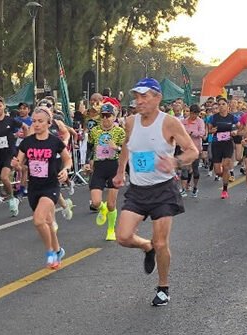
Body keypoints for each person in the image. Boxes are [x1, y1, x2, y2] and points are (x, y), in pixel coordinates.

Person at [113, 78, 198, 306]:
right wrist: (121, 170)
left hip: (163, 190)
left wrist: (175, 161)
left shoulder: (169, 123)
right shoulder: (130, 122)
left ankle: (163, 287)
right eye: (137, 97)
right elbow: (127, 146)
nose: (138, 101)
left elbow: (192, 151)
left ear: (157, 98)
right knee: (122, 237)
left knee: (162, 242)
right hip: (138, 189)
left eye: (144, 96)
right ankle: (145, 246)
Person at [12, 106, 72, 269]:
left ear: (48, 123)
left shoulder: (54, 142)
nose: (36, 125)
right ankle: (58, 250)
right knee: (47, 221)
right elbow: (19, 163)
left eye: (40, 121)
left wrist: (65, 170)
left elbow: (67, 160)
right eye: (34, 122)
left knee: (38, 220)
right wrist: (15, 165)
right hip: (34, 188)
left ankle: (50, 253)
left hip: (50, 186)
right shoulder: (27, 142)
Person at [85, 103, 125, 241]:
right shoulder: (95, 131)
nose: (106, 118)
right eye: (103, 116)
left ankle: (110, 230)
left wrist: (117, 148)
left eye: (109, 116)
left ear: (114, 117)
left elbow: (126, 151)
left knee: (111, 204)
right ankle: (102, 209)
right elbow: (90, 147)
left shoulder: (119, 131)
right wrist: (87, 162)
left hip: (114, 167)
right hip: (99, 167)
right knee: (95, 202)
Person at [0, 96, 28, 216]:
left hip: (10, 152)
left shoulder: (10, 120)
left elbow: (25, 126)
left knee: (4, 177)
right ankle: (17, 191)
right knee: (8, 175)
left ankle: (12, 199)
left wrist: (27, 142)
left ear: (4, 107)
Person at [207, 97, 241, 199]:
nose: (221, 106)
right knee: (217, 170)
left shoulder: (232, 117)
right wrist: (212, 131)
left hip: (227, 144)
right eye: (219, 104)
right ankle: (224, 176)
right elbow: (209, 131)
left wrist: (236, 132)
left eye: (223, 104)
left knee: (226, 166)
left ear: (227, 106)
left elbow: (240, 127)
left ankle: (225, 190)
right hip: (216, 144)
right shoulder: (213, 118)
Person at [180, 104, 206, 198]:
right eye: (192, 113)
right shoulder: (183, 121)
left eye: (196, 114)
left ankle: (195, 187)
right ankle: (183, 189)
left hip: (196, 148)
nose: (193, 116)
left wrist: (191, 133)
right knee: (184, 168)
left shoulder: (200, 122)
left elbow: (202, 133)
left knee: (195, 169)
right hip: (185, 148)